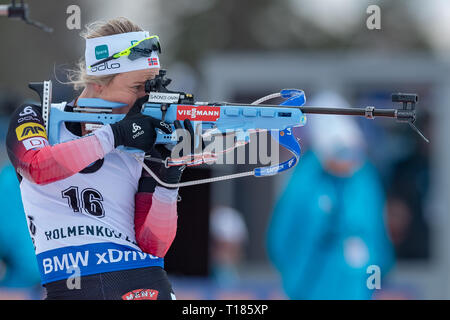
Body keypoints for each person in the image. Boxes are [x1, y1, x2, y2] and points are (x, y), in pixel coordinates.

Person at [6, 17, 192, 300]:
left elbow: (153, 245)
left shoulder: (145, 140)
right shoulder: (38, 116)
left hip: (141, 286)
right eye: (136, 88)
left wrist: (170, 178)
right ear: (99, 83)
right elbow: (38, 166)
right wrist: (114, 136)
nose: (145, 99)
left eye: (151, 88)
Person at [266, 91, 395, 300]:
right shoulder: (306, 180)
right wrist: (292, 281)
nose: (347, 163)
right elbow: (283, 238)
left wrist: (377, 279)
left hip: (356, 290)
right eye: (339, 153)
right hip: (310, 291)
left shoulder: (364, 178)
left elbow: (377, 235)